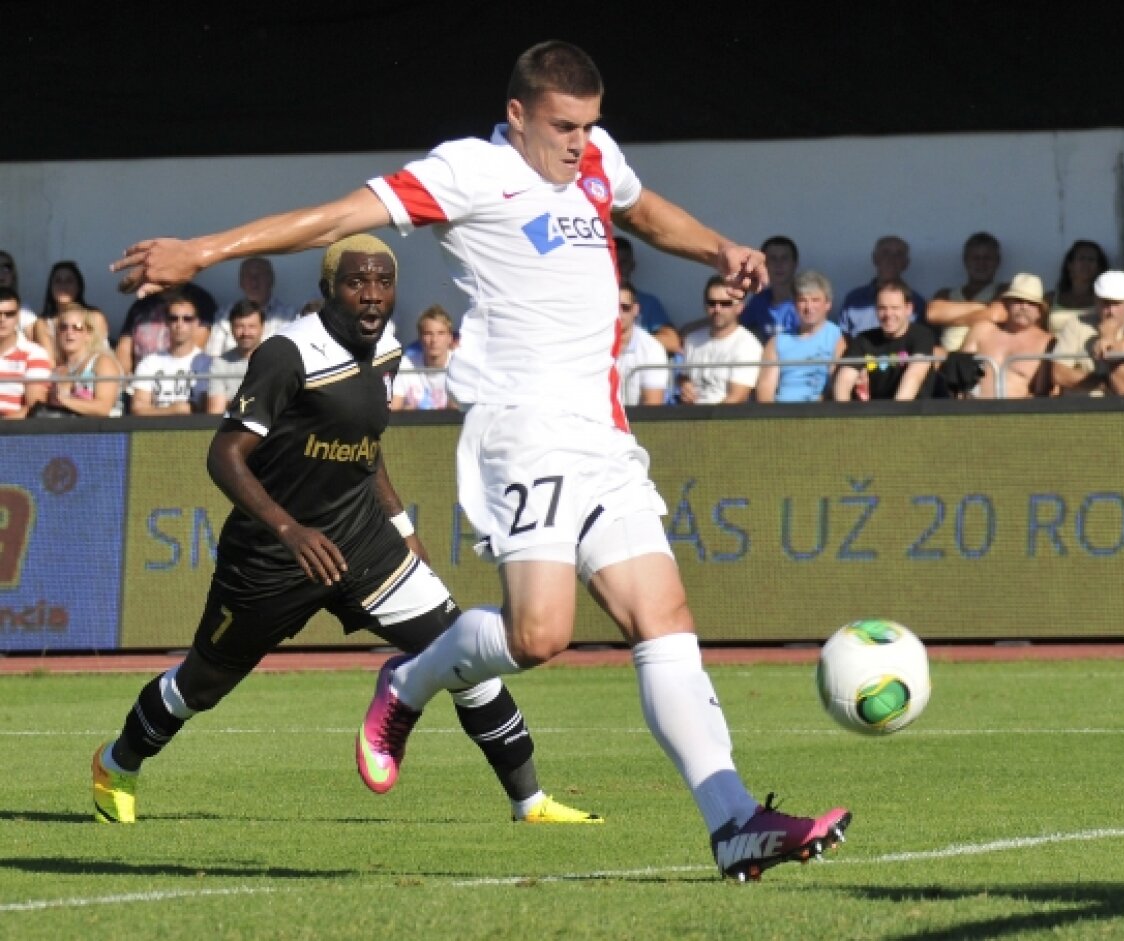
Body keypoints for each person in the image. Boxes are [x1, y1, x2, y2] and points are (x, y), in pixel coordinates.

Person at [111, 39, 850, 881]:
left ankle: (734, 821)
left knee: (664, 617)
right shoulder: (468, 171)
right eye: (564, 127)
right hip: (522, 428)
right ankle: (411, 681)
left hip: (604, 434)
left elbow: (643, 212)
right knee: (541, 635)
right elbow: (337, 216)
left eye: (590, 126)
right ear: (518, 117)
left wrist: (719, 249)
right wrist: (204, 251)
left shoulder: (598, 160)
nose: (580, 143)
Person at [93, 235, 600, 828]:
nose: (372, 296)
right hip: (271, 558)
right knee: (201, 683)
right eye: (357, 282)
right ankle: (116, 764)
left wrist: (401, 525)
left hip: (362, 542)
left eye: (383, 282)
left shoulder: (387, 349)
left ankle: (529, 802)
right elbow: (224, 455)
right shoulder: (288, 354)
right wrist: (289, 529)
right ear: (327, 291)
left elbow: (366, 450)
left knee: (461, 648)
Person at [832, 279, 937, 401]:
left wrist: (894, 416)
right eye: (882, 308)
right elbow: (844, 381)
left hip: (913, 412)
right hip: (873, 413)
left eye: (895, 308)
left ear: (908, 309)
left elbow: (914, 376)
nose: (888, 314)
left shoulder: (922, 336)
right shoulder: (863, 339)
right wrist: (844, 416)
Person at [958, 273, 1058, 399]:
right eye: (1018, 301)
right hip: (972, 410)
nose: (1024, 307)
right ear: (1006, 304)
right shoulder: (982, 330)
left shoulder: (1047, 342)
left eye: (1031, 303)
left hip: (1018, 413)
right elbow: (959, 375)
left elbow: (1043, 393)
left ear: (1039, 312)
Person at [756, 270, 846, 403]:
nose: (809, 307)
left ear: (828, 304)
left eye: (815, 300)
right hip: (781, 413)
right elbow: (765, 390)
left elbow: (837, 386)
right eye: (802, 300)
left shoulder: (837, 338)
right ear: (794, 304)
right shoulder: (777, 342)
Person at [1051, 270, 1124, 397]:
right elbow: (1059, 374)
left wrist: (1108, 338)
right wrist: (1102, 383)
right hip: (1079, 410)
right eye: (1105, 303)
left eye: (1117, 303)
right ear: (1095, 299)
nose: (1111, 310)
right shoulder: (1076, 324)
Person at [678, 276, 763, 405]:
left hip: (726, 419)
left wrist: (707, 423)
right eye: (712, 303)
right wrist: (684, 385)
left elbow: (736, 398)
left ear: (740, 307)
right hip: (689, 417)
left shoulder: (748, 346)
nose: (717, 309)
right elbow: (685, 377)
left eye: (725, 303)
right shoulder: (692, 339)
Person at [128, 291, 212, 415]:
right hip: (157, 430)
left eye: (187, 319)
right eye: (174, 318)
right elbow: (138, 408)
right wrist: (173, 410)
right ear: (166, 322)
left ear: (196, 323)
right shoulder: (149, 362)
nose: (179, 324)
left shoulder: (208, 363)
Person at [115, 280, 217, 375]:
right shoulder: (142, 303)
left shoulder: (200, 300)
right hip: (141, 380)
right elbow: (124, 349)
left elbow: (195, 348)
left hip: (180, 379)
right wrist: (124, 380)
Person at [39, 305, 125, 417]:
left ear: (88, 334)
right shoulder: (57, 371)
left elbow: (103, 408)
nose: (69, 332)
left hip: (106, 430)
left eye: (77, 327)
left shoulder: (102, 362)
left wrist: (63, 400)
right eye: (63, 327)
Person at [205, 256, 297, 356]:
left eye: (260, 275)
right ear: (241, 282)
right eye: (248, 276)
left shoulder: (289, 316)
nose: (254, 282)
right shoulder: (224, 315)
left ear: (271, 280)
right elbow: (213, 355)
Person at [837, 235, 927, 337]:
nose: (891, 259)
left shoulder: (917, 302)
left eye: (898, 254)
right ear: (875, 259)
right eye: (885, 253)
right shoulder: (854, 299)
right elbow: (843, 339)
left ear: (906, 263)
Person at [931, 232, 1003, 353]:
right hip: (945, 363)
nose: (981, 263)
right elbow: (932, 313)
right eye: (975, 258)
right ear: (965, 260)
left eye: (987, 258)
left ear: (997, 261)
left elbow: (997, 315)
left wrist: (949, 316)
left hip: (982, 362)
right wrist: (985, 309)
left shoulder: (1004, 290)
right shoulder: (945, 294)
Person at [34, 260, 109, 361]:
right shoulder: (42, 323)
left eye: (69, 281)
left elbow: (98, 353)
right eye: (58, 281)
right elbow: (49, 361)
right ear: (51, 288)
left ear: (79, 287)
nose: (63, 285)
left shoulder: (95, 316)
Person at [390, 304, 456, 410]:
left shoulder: (459, 364)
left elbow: (457, 412)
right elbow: (393, 408)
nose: (434, 340)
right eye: (428, 334)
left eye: (441, 333)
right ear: (420, 338)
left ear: (450, 338)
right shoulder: (405, 364)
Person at [205, 299, 265, 415]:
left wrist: (231, 403)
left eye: (252, 326)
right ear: (231, 328)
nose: (245, 333)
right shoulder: (220, 364)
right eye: (239, 326)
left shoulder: (276, 361)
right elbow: (215, 411)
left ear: (262, 327)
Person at [0, 287, 52, 418]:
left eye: (9, 314)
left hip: (11, 429)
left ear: (18, 316)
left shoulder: (35, 354)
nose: (2, 319)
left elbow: (34, 407)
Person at [615, 281, 670, 406]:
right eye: (614, 307)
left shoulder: (652, 349)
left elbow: (652, 405)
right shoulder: (593, 345)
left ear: (635, 309)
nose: (619, 313)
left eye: (625, 307)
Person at [738, 234, 799, 344]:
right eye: (773, 259)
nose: (779, 264)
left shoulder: (806, 301)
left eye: (784, 258)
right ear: (764, 265)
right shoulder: (759, 301)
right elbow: (730, 322)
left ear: (794, 264)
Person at [1046, 239, 1109, 334]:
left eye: (1091, 260)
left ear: (1099, 267)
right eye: (1081, 259)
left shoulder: (1106, 300)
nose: (1086, 264)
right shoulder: (1050, 299)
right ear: (1070, 265)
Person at [614, 235, 672, 334]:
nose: (619, 268)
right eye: (615, 263)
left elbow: (671, 340)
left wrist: (631, 345)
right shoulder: (591, 302)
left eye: (623, 263)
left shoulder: (648, 303)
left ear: (632, 266)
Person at [0, 250, 39, 339]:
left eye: (6, 268)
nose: (1, 273)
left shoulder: (25, 313)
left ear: (13, 275)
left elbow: (33, 349)